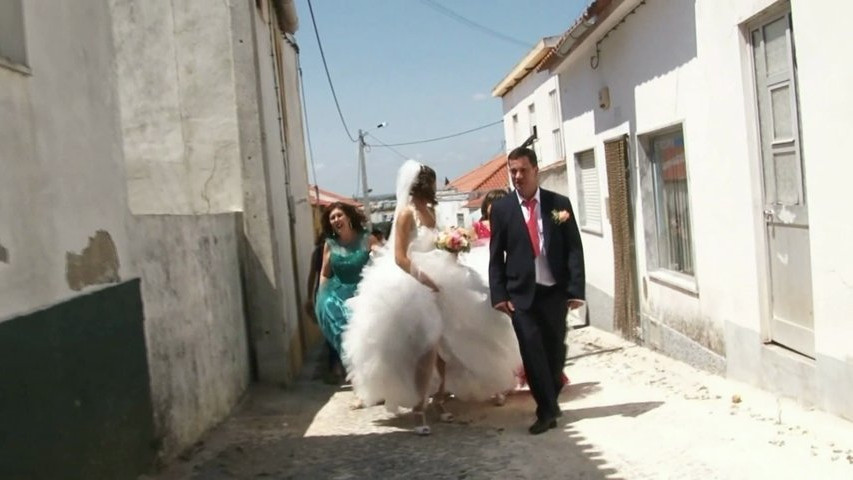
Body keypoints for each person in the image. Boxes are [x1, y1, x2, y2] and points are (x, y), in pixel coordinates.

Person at [343, 160, 521, 436]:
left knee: (446, 352)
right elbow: (400, 257)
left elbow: (435, 245)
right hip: (412, 286)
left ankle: (438, 399)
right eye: (431, 183)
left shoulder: (431, 212)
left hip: (442, 283)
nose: (434, 187)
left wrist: (452, 248)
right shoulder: (405, 215)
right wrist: (425, 279)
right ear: (421, 185)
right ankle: (418, 409)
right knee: (427, 350)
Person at [489, 146, 585, 435]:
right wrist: (499, 295)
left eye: (522, 170)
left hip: (553, 291)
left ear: (535, 170)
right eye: (512, 171)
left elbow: (573, 249)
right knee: (532, 352)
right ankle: (545, 410)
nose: (517, 176)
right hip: (521, 295)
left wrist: (575, 289)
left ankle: (550, 398)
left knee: (555, 350)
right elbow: (496, 256)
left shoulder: (558, 205)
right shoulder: (503, 209)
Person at [314, 202, 376, 382]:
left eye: (339, 215)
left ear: (348, 217)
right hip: (339, 298)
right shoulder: (329, 245)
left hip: (365, 295)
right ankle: (361, 384)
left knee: (369, 342)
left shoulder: (367, 239)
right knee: (349, 344)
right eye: (332, 218)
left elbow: (384, 260)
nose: (336, 220)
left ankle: (377, 381)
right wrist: (321, 297)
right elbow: (325, 274)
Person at [304, 231, 343, 384]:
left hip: (325, 293)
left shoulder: (318, 253)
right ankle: (336, 365)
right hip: (332, 293)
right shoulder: (338, 250)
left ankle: (335, 366)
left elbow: (311, 277)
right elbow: (312, 276)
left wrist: (309, 297)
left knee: (331, 331)